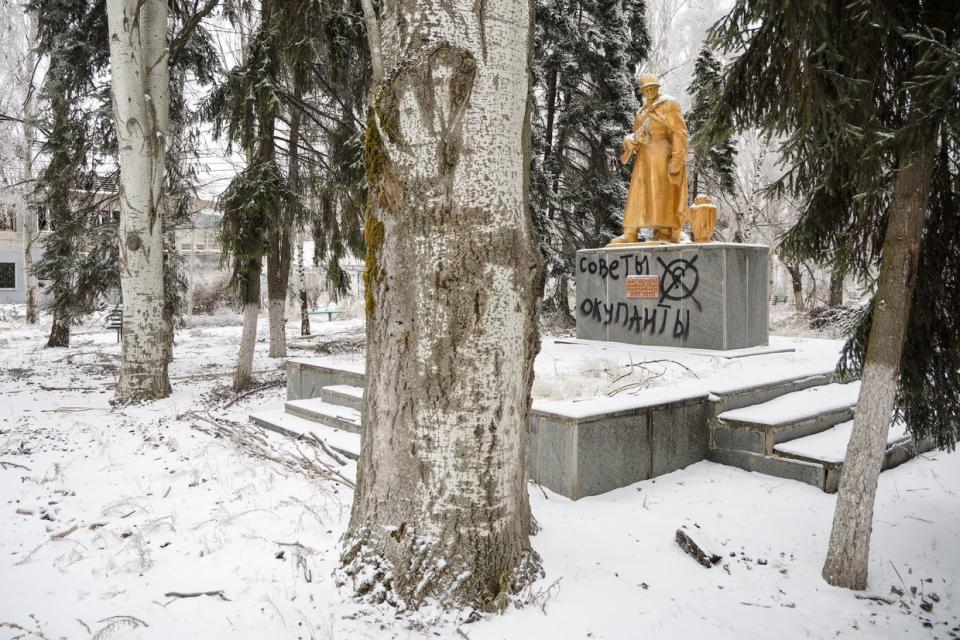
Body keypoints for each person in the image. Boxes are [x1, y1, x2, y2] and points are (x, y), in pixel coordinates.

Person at [609, 74, 689, 245]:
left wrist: (677, 158)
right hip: (643, 157)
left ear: (658, 87)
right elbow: (636, 133)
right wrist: (629, 140)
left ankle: (665, 231)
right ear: (642, 91)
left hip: (662, 154)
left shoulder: (669, 104)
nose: (649, 91)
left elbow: (679, 132)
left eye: (652, 87)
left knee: (661, 192)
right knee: (637, 193)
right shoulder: (641, 111)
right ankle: (631, 232)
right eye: (646, 89)